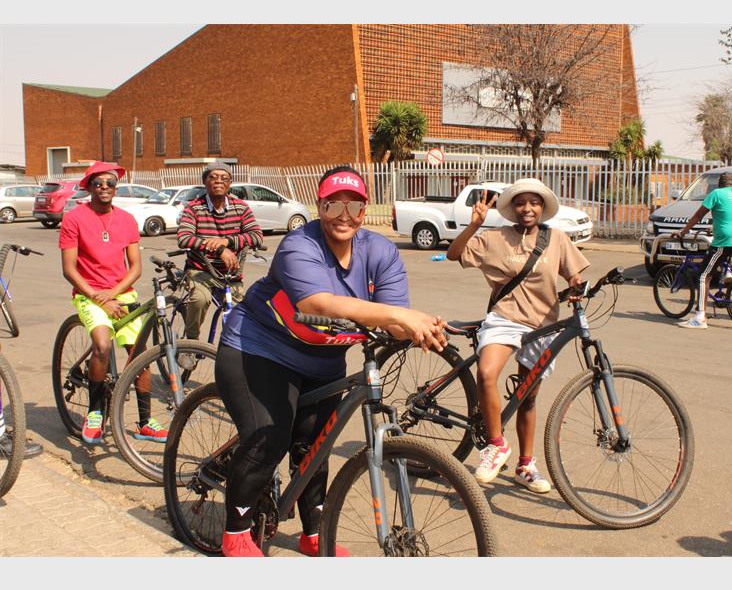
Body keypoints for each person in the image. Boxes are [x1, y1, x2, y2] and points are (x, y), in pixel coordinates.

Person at [215, 165, 447, 557]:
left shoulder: (380, 251)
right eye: (332, 205)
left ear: (365, 210)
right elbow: (317, 303)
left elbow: (393, 318)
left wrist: (423, 327)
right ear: (319, 208)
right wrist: (400, 317)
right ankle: (235, 532)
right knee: (270, 436)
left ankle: (314, 533)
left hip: (322, 362)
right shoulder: (298, 245)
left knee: (315, 447)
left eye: (353, 206)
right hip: (258, 348)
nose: (343, 216)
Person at [446, 178, 589, 491]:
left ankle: (526, 466)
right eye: (521, 203)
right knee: (486, 373)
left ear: (542, 207)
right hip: (505, 318)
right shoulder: (495, 237)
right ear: (512, 208)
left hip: (542, 325)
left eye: (534, 203)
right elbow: (454, 254)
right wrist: (473, 225)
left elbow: (574, 274)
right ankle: (496, 445)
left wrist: (578, 286)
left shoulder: (557, 239)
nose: (527, 209)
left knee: (527, 398)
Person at [59, 162, 164, 444]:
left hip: (121, 295)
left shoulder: (127, 219)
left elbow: (135, 268)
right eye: (98, 183)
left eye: (110, 183)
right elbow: (69, 269)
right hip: (88, 295)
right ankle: (95, 412)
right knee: (103, 345)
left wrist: (113, 294)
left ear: (115, 187)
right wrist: (98, 297)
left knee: (140, 356)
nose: (104, 187)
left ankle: (145, 422)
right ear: (89, 186)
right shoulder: (74, 218)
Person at [176, 161, 263, 346]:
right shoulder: (194, 208)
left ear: (230, 183)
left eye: (224, 178)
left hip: (231, 274)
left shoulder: (241, 207)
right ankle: (191, 342)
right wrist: (219, 249)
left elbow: (256, 235)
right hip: (201, 272)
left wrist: (227, 241)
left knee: (241, 313)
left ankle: (233, 350)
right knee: (200, 299)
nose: (218, 181)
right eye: (213, 177)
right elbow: (184, 238)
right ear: (205, 181)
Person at [673, 172, 732, 329]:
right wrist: (714, 229)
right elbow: (730, 216)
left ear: (719, 184)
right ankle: (727, 280)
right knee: (719, 265)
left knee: (704, 275)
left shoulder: (716, 194)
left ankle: (699, 317)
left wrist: (683, 231)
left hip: (725, 241)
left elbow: (698, 215)